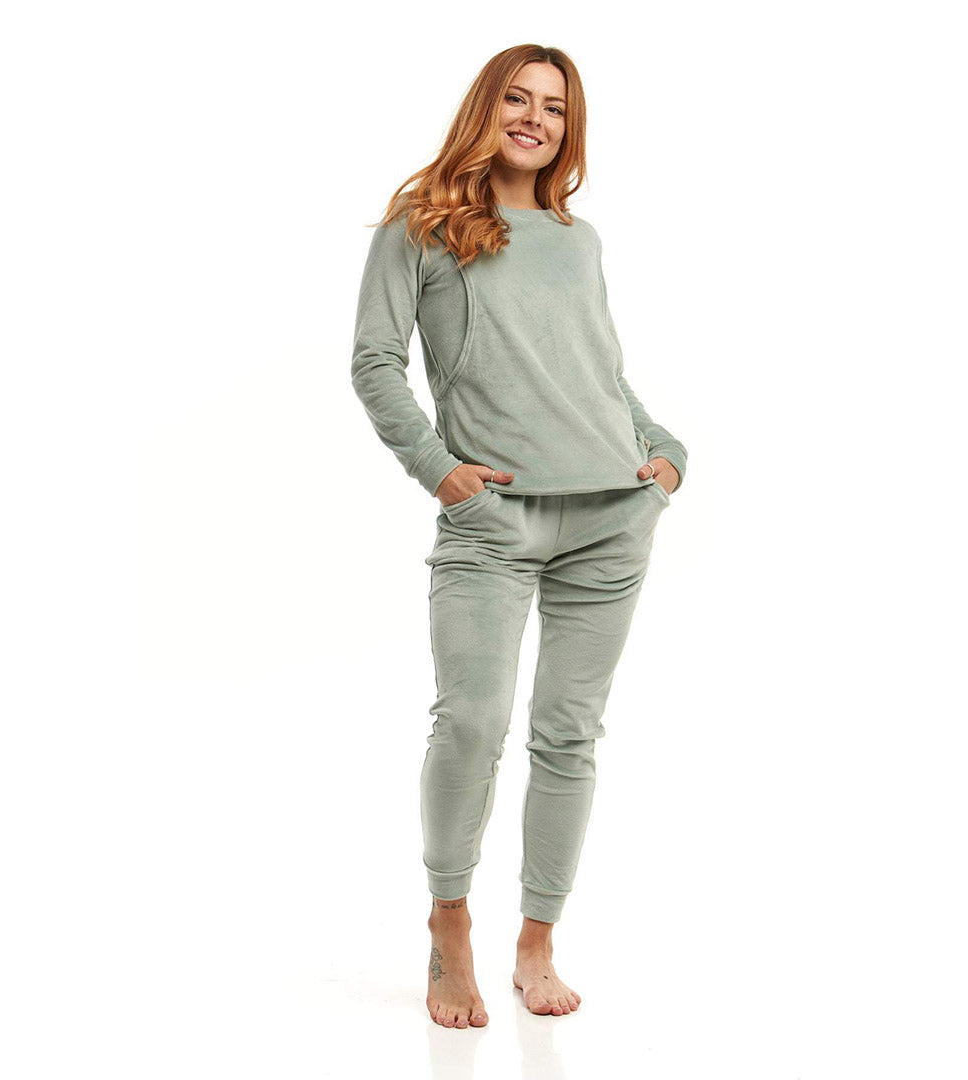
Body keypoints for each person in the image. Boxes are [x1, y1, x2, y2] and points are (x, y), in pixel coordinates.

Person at [350, 44, 688, 1029]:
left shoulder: (579, 240)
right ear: (486, 107)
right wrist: (437, 467)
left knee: (568, 736)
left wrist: (664, 453)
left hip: (612, 513)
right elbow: (374, 361)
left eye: (554, 106)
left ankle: (537, 939)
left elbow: (599, 373)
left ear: (568, 128)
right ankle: (449, 920)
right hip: (490, 521)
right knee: (471, 722)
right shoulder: (422, 221)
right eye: (518, 98)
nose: (535, 119)